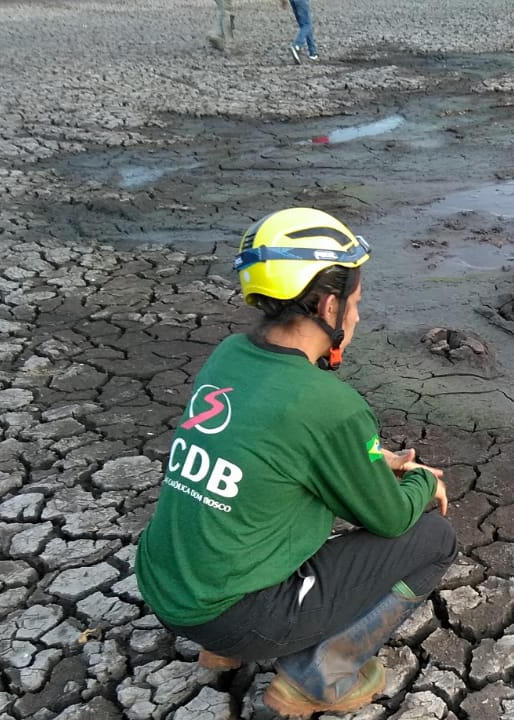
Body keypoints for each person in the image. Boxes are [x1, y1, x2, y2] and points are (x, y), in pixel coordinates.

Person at [135, 207, 456, 716]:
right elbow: (390, 518)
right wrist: (419, 482)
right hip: (232, 613)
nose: (356, 317)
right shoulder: (327, 402)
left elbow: (272, 444)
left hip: (165, 587)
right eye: (355, 303)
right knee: (434, 537)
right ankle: (317, 675)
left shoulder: (229, 355)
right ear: (329, 305)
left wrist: (377, 458)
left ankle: (223, 651)